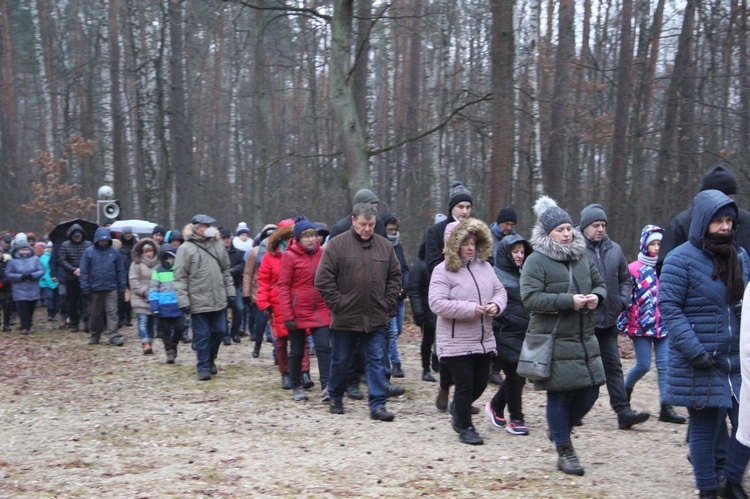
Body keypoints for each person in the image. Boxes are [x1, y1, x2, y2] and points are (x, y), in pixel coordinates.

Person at [660, 190, 750, 498]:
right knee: (705, 430)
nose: (725, 227)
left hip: (737, 358)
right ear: (702, 223)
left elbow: (744, 300)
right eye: (718, 221)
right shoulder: (678, 260)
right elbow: (669, 308)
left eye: (728, 221)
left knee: (746, 422)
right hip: (699, 358)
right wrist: (695, 350)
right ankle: (708, 490)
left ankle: (733, 480)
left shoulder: (738, 256)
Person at [521, 196, 606, 476]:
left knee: (591, 390)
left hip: (584, 338)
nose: (567, 234)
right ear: (548, 234)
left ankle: (559, 431)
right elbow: (530, 298)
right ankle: (564, 451)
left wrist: (597, 297)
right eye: (561, 230)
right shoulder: (535, 261)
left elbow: (600, 284)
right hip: (553, 339)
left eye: (569, 228)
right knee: (559, 396)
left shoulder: (584, 257)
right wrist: (569, 301)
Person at [315, 203, 402, 421]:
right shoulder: (336, 245)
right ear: (353, 220)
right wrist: (338, 304)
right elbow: (323, 280)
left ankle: (378, 405)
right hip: (345, 317)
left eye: (371, 225)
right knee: (341, 359)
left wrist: (387, 302)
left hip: (375, 316)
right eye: (363, 224)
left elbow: (395, 277)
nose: (367, 229)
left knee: (375, 360)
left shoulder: (385, 246)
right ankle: (335, 395)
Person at [430, 219, 507, 445]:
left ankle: (458, 408)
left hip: (483, 337)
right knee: (464, 384)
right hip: (455, 340)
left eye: (473, 242)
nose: (470, 247)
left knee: (480, 383)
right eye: (465, 243)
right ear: (454, 244)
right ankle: (465, 426)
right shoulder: (442, 270)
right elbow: (437, 303)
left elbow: (500, 290)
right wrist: (471, 309)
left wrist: (496, 305)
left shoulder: (486, 267)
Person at [579, 203, 650, 429]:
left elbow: (625, 278)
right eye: (595, 225)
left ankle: (623, 412)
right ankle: (574, 410)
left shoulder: (615, 249)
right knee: (582, 367)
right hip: (583, 321)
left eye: (603, 225)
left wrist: (623, 300)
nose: (600, 229)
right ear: (584, 227)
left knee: (613, 367)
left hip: (609, 320)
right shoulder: (575, 249)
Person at [619, 225, 685, 424]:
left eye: (659, 244)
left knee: (665, 366)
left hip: (663, 324)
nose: (656, 248)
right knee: (643, 365)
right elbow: (626, 299)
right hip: (640, 325)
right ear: (644, 245)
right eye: (653, 244)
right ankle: (624, 396)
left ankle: (666, 406)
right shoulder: (633, 269)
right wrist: (622, 323)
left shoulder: (667, 266)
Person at [424, 181, 474, 410]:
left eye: (468, 206)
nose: (464, 211)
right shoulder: (435, 231)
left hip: (474, 296)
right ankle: (445, 387)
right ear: (452, 208)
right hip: (447, 294)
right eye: (460, 206)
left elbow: (485, 260)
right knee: (447, 349)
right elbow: (432, 263)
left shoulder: (476, 230)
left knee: (472, 349)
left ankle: (464, 398)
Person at [173, 214, 236, 381]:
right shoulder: (185, 248)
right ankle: (203, 366)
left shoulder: (217, 245)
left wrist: (230, 292)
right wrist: (184, 301)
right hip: (198, 300)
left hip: (218, 299)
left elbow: (226, 270)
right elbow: (179, 277)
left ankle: (210, 358)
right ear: (195, 228)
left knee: (220, 331)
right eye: (204, 225)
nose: (208, 228)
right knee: (202, 334)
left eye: (209, 225)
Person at [658, 165, 750, 274]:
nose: (726, 203)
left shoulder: (745, 221)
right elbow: (665, 269)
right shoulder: (681, 225)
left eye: (730, 198)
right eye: (721, 197)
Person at [278, 217, 332, 402]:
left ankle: (327, 386)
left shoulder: (323, 254)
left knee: (324, 347)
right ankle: (296, 385)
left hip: (321, 308)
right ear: (298, 238)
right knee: (297, 351)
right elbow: (283, 286)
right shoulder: (289, 256)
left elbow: (330, 280)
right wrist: (287, 314)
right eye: (306, 236)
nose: (310, 240)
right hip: (297, 309)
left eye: (313, 236)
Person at [486, 234, 533, 435]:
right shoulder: (494, 275)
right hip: (503, 332)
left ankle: (496, 405)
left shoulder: (524, 274)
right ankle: (516, 418)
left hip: (523, 332)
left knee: (519, 376)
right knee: (515, 374)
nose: (519, 255)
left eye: (522, 251)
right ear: (506, 253)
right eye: (515, 251)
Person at [257, 219, 312, 389]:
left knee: (303, 339)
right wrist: (264, 303)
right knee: (281, 341)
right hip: (277, 303)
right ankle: (285, 373)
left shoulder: (301, 253)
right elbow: (263, 282)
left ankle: (304, 373)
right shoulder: (270, 257)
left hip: (298, 301)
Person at [80, 227, 126, 346]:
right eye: (101, 240)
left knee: (112, 312)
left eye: (106, 240)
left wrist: (122, 286)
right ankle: (95, 335)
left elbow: (120, 270)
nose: (103, 242)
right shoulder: (89, 252)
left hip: (111, 287)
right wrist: (85, 286)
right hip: (95, 288)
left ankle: (113, 335)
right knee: (95, 313)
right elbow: (84, 271)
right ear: (97, 240)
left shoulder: (114, 252)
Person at [242, 223, 278, 357]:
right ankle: (257, 345)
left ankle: (277, 351)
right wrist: (246, 293)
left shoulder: (281, 252)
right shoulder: (255, 252)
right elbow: (247, 273)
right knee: (261, 323)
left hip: (276, 294)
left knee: (276, 323)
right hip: (259, 294)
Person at [382, 212, 409, 378]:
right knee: (391, 331)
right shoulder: (379, 246)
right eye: (389, 230)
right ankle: (395, 363)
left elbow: (405, 268)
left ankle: (386, 355)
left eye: (394, 230)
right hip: (387, 297)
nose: (392, 233)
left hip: (400, 296)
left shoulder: (398, 246)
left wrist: (404, 287)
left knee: (397, 330)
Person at [407, 240, 438, 382]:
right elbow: (414, 291)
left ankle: (437, 364)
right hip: (426, 311)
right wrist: (418, 313)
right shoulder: (419, 266)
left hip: (439, 310)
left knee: (441, 340)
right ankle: (426, 369)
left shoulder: (439, 264)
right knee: (428, 340)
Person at [149, 244, 184, 364]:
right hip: (163, 307)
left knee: (180, 327)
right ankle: (169, 351)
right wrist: (154, 306)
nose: (169, 260)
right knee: (165, 331)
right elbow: (153, 290)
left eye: (171, 257)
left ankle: (174, 344)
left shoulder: (178, 270)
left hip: (177, 305)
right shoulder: (157, 272)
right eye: (167, 258)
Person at [58, 224, 92, 332]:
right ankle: (75, 323)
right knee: (71, 302)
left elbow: (91, 259)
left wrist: (84, 270)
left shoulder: (88, 245)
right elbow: (61, 260)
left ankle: (87, 323)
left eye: (79, 236)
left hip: (85, 278)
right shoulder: (65, 245)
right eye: (75, 236)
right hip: (70, 278)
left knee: (85, 301)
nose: (78, 238)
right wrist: (73, 270)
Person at [5, 241, 44, 334]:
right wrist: (19, 277)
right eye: (23, 250)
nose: (25, 252)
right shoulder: (12, 261)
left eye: (26, 249)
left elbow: (41, 270)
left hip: (32, 287)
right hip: (19, 287)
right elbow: (8, 273)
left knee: (31, 307)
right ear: (18, 251)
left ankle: (29, 323)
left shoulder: (35, 259)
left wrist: (32, 275)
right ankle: (24, 326)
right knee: (22, 308)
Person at [129, 238, 159, 354]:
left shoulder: (159, 263)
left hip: (155, 298)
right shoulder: (136, 264)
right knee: (142, 320)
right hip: (140, 298)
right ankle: (145, 343)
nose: (148, 254)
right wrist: (146, 292)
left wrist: (155, 293)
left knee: (152, 322)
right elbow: (133, 281)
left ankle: (150, 342)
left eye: (150, 251)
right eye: (146, 251)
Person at [118, 227, 137, 327]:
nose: (128, 235)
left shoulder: (136, 244)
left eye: (129, 233)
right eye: (126, 233)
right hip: (122, 272)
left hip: (133, 272)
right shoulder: (119, 244)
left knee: (130, 297)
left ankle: (128, 318)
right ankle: (121, 318)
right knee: (122, 296)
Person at [39, 241, 59, 322]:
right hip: (46, 281)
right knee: (49, 297)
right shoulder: (42, 257)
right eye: (49, 247)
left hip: (56, 281)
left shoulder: (58, 256)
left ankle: (54, 314)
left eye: (52, 247)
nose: (51, 249)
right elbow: (40, 269)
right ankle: (50, 314)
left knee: (56, 299)